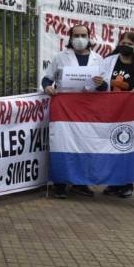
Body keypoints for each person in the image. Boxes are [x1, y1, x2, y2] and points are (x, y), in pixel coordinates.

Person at [42, 23, 104, 198]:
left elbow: (104, 86)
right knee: (62, 145)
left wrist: (101, 84)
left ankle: (80, 183)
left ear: (89, 37)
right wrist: (48, 88)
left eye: (83, 35)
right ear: (70, 38)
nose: (79, 39)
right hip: (65, 109)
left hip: (88, 110)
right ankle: (60, 184)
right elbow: (46, 79)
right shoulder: (60, 57)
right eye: (76, 36)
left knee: (86, 145)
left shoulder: (98, 59)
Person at [92, 31, 134, 198]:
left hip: (131, 112)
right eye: (123, 43)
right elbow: (100, 85)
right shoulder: (109, 61)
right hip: (111, 110)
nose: (126, 46)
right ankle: (113, 183)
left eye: (130, 44)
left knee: (127, 146)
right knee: (111, 146)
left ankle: (127, 184)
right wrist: (100, 84)